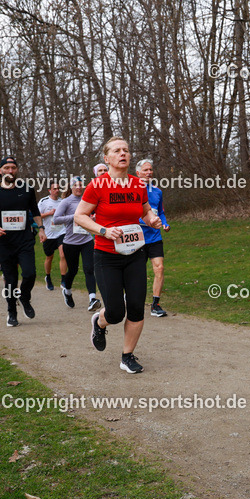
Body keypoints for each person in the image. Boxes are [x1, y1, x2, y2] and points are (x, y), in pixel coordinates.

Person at [75, 136, 163, 374]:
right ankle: (99, 321)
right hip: (106, 255)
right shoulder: (97, 185)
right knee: (115, 311)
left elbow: (144, 212)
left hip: (135, 252)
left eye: (126, 150)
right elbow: (80, 216)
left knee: (135, 307)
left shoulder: (138, 185)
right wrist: (103, 230)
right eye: (117, 150)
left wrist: (152, 220)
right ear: (107, 158)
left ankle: (127, 356)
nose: (123, 153)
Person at [0, 157, 45, 327]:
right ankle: (12, 312)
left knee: (30, 273)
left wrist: (41, 228)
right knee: (10, 279)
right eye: (7, 168)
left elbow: (35, 210)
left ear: (17, 170)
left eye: (13, 168)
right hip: (4, 242)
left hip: (25, 240)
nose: (10, 171)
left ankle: (24, 296)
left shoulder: (27, 189)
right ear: (0, 170)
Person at [53, 176, 100, 309]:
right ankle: (67, 291)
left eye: (81, 185)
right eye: (76, 185)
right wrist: (74, 217)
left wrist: (94, 218)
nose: (79, 187)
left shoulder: (88, 201)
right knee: (73, 270)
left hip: (86, 240)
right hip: (70, 242)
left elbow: (92, 217)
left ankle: (92, 299)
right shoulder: (66, 202)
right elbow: (56, 219)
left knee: (89, 268)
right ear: (71, 187)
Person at [136, 159, 170, 317]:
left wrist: (164, 223)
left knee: (160, 268)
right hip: (138, 238)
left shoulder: (157, 191)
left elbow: (160, 212)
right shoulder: (132, 190)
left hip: (155, 237)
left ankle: (155, 304)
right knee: (137, 273)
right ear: (138, 173)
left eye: (150, 169)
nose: (149, 172)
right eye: (145, 170)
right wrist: (147, 221)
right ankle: (132, 299)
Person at [38, 182, 67, 291]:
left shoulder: (62, 202)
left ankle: (63, 279)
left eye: (58, 188)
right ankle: (48, 277)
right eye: (54, 188)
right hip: (48, 234)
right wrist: (49, 213)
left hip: (61, 231)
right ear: (50, 190)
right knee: (49, 257)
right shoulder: (43, 201)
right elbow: (37, 215)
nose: (57, 190)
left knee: (63, 254)